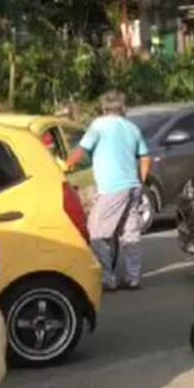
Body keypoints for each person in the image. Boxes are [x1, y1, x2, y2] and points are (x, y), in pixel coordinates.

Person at [66, 91, 151, 290]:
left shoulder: (99, 125)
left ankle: (107, 278)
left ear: (104, 109)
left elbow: (80, 151)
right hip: (133, 187)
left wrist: (66, 165)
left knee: (96, 233)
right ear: (123, 108)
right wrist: (140, 182)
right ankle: (133, 278)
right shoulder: (132, 128)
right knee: (130, 234)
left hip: (113, 189)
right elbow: (145, 158)